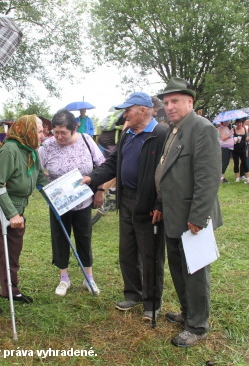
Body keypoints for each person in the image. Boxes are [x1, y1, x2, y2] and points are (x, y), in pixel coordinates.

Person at [82, 92, 168, 321]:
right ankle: (133, 294)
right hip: (126, 199)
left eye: (128, 109)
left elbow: (167, 173)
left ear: (142, 110)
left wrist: (159, 202)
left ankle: (151, 303)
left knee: (150, 254)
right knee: (127, 250)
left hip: (149, 203)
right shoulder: (128, 134)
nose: (124, 114)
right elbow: (112, 164)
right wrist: (92, 178)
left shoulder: (161, 134)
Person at [155, 77, 222, 348]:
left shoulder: (201, 128)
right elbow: (166, 171)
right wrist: (159, 205)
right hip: (172, 214)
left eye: (175, 101)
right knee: (178, 269)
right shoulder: (174, 129)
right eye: (166, 102)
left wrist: (197, 216)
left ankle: (197, 326)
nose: (169, 106)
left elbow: (208, 178)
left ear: (190, 102)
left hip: (192, 218)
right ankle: (187, 313)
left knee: (194, 273)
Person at [0, 115, 47, 314]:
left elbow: (40, 177)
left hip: (17, 208)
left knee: (13, 250)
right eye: (40, 131)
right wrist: (12, 214)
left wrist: (58, 196)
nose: (43, 135)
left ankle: (10, 290)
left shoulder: (32, 149)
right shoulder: (9, 150)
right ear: (28, 131)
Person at [39, 110, 106, 296]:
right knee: (60, 237)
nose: (59, 136)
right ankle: (64, 278)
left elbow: (102, 166)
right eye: (56, 132)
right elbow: (36, 170)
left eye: (63, 133)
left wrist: (99, 190)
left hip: (82, 201)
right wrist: (45, 182)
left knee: (84, 237)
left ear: (74, 128)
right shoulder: (47, 145)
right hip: (58, 202)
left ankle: (89, 278)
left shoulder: (86, 140)